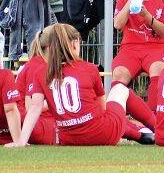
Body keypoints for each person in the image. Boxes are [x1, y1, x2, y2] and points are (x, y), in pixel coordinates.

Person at [12, 24, 155, 147]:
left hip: (68, 139)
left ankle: (140, 134)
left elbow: (34, 108)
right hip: (101, 133)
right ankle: (158, 128)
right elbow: (102, 108)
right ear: (74, 44)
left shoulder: (40, 72)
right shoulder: (89, 68)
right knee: (120, 89)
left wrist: (21, 141)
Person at [112, 0, 164, 103]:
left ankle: (154, 113)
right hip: (130, 48)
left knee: (159, 69)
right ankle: (119, 113)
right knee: (119, 74)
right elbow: (117, 25)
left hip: (156, 47)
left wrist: (146, 15)